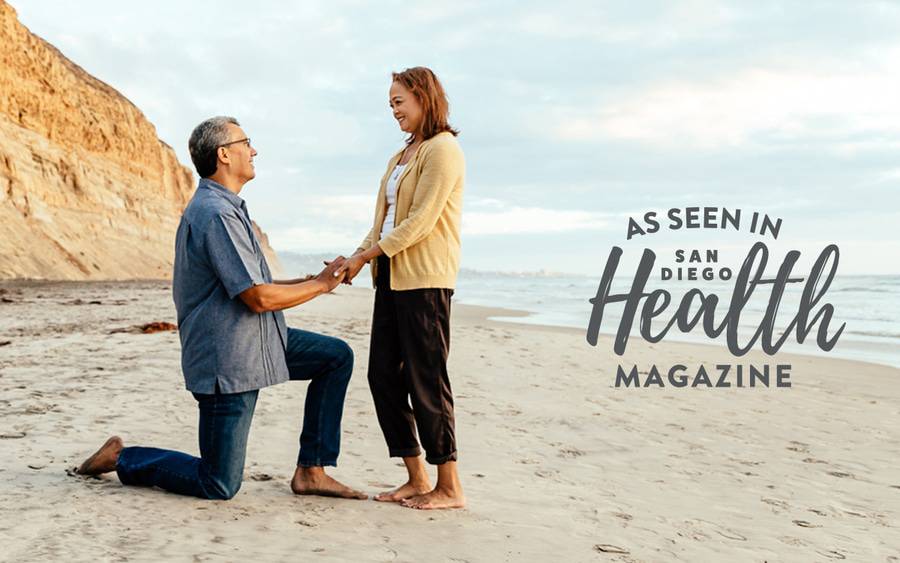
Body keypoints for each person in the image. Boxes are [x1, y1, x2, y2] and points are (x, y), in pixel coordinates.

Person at [76, 116, 366, 501]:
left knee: (334, 357)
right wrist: (323, 285)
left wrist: (313, 278)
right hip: (226, 359)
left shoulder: (227, 207)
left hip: (257, 343)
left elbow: (254, 284)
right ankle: (123, 457)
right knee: (219, 482)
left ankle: (311, 470)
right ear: (224, 154)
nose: (254, 149)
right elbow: (258, 299)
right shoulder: (215, 214)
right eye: (246, 142)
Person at [337, 67, 466, 510]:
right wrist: (352, 257)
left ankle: (449, 486)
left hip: (426, 280)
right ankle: (416, 476)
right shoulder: (402, 156)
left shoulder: (443, 149)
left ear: (423, 98)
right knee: (382, 377)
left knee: (426, 380)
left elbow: (421, 222)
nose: (393, 110)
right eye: (390, 103)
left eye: (398, 101)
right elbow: (383, 224)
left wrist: (366, 256)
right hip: (390, 278)